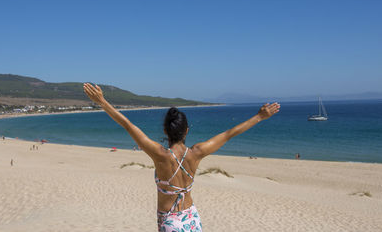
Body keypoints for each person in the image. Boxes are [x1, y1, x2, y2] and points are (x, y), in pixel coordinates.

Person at [83, 83, 280, 231]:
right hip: (192, 218)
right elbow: (229, 134)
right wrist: (260, 116)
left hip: (170, 221)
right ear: (186, 130)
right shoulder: (197, 153)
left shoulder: (160, 155)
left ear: (165, 130)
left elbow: (128, 125)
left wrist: (102, 102)